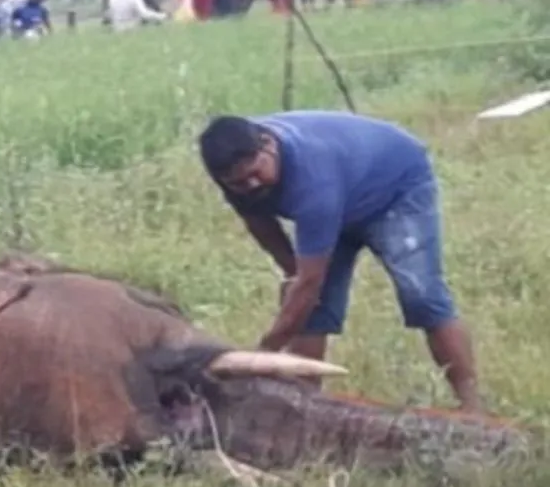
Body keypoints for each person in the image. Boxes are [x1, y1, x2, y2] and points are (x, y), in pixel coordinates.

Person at [196, 111, 482, 413]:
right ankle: (304, 408)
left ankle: (473, 406)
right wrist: (292, 274)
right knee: (310, 312)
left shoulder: (312, 176)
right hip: (340, 192)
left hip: (394, 188)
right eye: (240, 183)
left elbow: (309, 283)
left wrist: (264, 351)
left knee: (422, 296)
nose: (252, 185)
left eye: (257, 172)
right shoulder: (232, 169)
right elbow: (260, 223)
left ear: (268, 145)